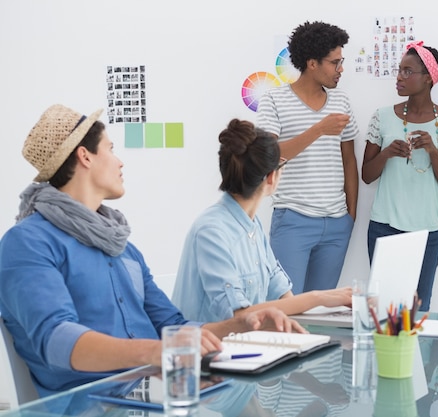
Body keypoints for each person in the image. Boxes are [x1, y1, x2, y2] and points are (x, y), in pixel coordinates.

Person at [0, 104, 303, 397]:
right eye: (111, 148)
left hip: (153, 394)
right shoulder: (27, 242)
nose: (120, 162)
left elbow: (174, 327)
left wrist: (241, 326)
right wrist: (156, 352)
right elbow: (56, 340)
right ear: (85, 157)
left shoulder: (123, 248)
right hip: (90, 405)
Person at [172, 118, 352, 324]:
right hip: (206, 351)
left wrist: (309, 321)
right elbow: (239, 315)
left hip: (246, 343)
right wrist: (317, 297)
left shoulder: (251, 224)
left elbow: (278, 285)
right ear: (270, 177)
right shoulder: (211, 231)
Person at [256, 21, 359, 294]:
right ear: (312, 63)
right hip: (293, 221)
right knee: (286, 309)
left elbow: (349, 160)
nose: (341, 69)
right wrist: (318, 130)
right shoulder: (274, 100)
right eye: (334, 62)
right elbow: (268, 157)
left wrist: (351, 215)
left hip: (337, 223)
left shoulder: (341, 101)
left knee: (321, 312)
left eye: (342, 61)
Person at [361, 41, 438, 311]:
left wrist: (432, 149)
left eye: (408, 72)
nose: (399, 77)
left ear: (429, 78)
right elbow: (367, 176)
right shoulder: (382, 117)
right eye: (399, 70)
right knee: (385, 310)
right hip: (384, 227)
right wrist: (385, 154)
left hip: (427, 231)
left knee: (418, 311)